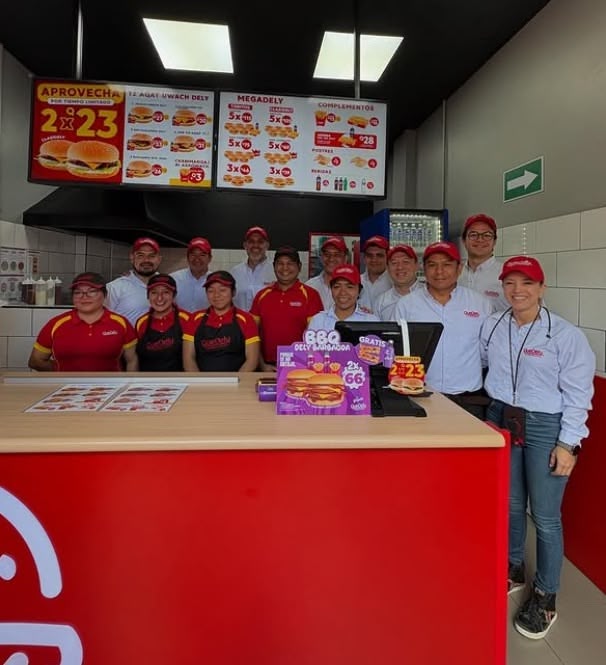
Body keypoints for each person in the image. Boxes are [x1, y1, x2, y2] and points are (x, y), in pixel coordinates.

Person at [480, 255, 595, 640]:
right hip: (502, 415)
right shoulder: (493, 326)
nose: (518, 291)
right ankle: (514, 567)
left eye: (527, 283)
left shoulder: (564, 335)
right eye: (510, 283)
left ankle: (546, 595)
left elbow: (579, 394)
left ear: (542, 288)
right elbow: (486, 363)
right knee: (512, 502)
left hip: (546, 425)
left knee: (545, 516)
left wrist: (568, 443)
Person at [393, 241, 493, 418]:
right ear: (423, 269)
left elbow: (487, 352)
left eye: (447, 265)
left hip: (469, 399)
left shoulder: (480, 304)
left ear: (459, 268)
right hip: (420, 396)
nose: (439, 271)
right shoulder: (407, 305)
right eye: (432, 265)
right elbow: (396, 350)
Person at [28, 271, 138, 372]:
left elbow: (132, 360)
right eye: (78, 292)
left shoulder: (121, 323)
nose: (84, 297)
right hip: (65, 386)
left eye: (92, 291)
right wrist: (61, 372)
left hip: (109, 385)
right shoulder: (56, 324)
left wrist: (130, 383)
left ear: (105, 295)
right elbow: (36, 361)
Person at [251, 246, 323, 371]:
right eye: (280, 263)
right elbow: (252, 335)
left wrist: (305, 366)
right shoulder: (262, 295)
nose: (285, 268)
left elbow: (315, 336)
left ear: (299, 267)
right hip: (267, 367)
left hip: (300, 367)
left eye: (290, 263)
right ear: (274, 267)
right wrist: (262, 365)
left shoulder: (311, 295)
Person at [183, 270, 260, 371]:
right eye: (211, 291)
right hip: (201, 379)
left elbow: (252, 360)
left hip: (238, 379)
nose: (216, 295)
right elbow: (188, 359)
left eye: (222, 290)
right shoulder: (195, 319)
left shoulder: (246, 319)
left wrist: (236, 380)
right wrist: (199, 380)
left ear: (233, 292)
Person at [135, 274, 191, 371]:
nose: (159, 298)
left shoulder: (186, 319)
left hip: (179, 379)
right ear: (148, 296)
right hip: (148, 379)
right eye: (154, 292)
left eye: (166, 292)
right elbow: (133, 358)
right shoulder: (141, 322)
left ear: (174, 295)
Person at [106, 237, 162, 325]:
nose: (146, 260)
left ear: (159, 259)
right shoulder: (114, 288)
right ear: (132, 258)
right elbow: (103, 321)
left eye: (152, 256)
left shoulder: (169, 285)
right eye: (140, 255)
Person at [307, 264, 379, 331]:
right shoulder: (318, 321)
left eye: (349, 287)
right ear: (331, 290)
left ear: (359, 291)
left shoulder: (371, 322)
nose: (343, 292)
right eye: (337, 286)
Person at [460, 213, 508, 310]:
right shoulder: (455, 274)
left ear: (494, 241)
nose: (480, 239)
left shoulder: (506, 273)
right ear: (464, 241)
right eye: (473, 235)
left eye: (487, 235)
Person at [230, 226, 275, 311]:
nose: (255, 245)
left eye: (260, 242)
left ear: (267, 245)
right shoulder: (235, 272)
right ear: (245, 245)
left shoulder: (276, 272)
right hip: (240, 319)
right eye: (251, 242)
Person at [373, 244, 422, 320]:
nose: (400, 267)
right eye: (394, 263)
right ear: (388, 268)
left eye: (405, 262)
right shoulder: (381, 302)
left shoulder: (430, 295)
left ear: (416, 265)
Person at [170, 237, 212, 312]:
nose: (197, 259)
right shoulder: (173, 279)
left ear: (210, 258)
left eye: (202, 255)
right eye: (193, 255)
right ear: (187, 258)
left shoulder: (215, 281)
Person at [305, 236, 348, 309]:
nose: (331, 259)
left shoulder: (354, 288)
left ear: (345, 258)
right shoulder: (309, 286)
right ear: (321, 257)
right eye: (327, 254)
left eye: (337, 254)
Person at [358, 235, 393, 312]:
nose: (374, 260)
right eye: (370, 255)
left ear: (387, 257)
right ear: (364, 258)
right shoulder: (356, 281)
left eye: (379, 255)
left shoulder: (394, 283)